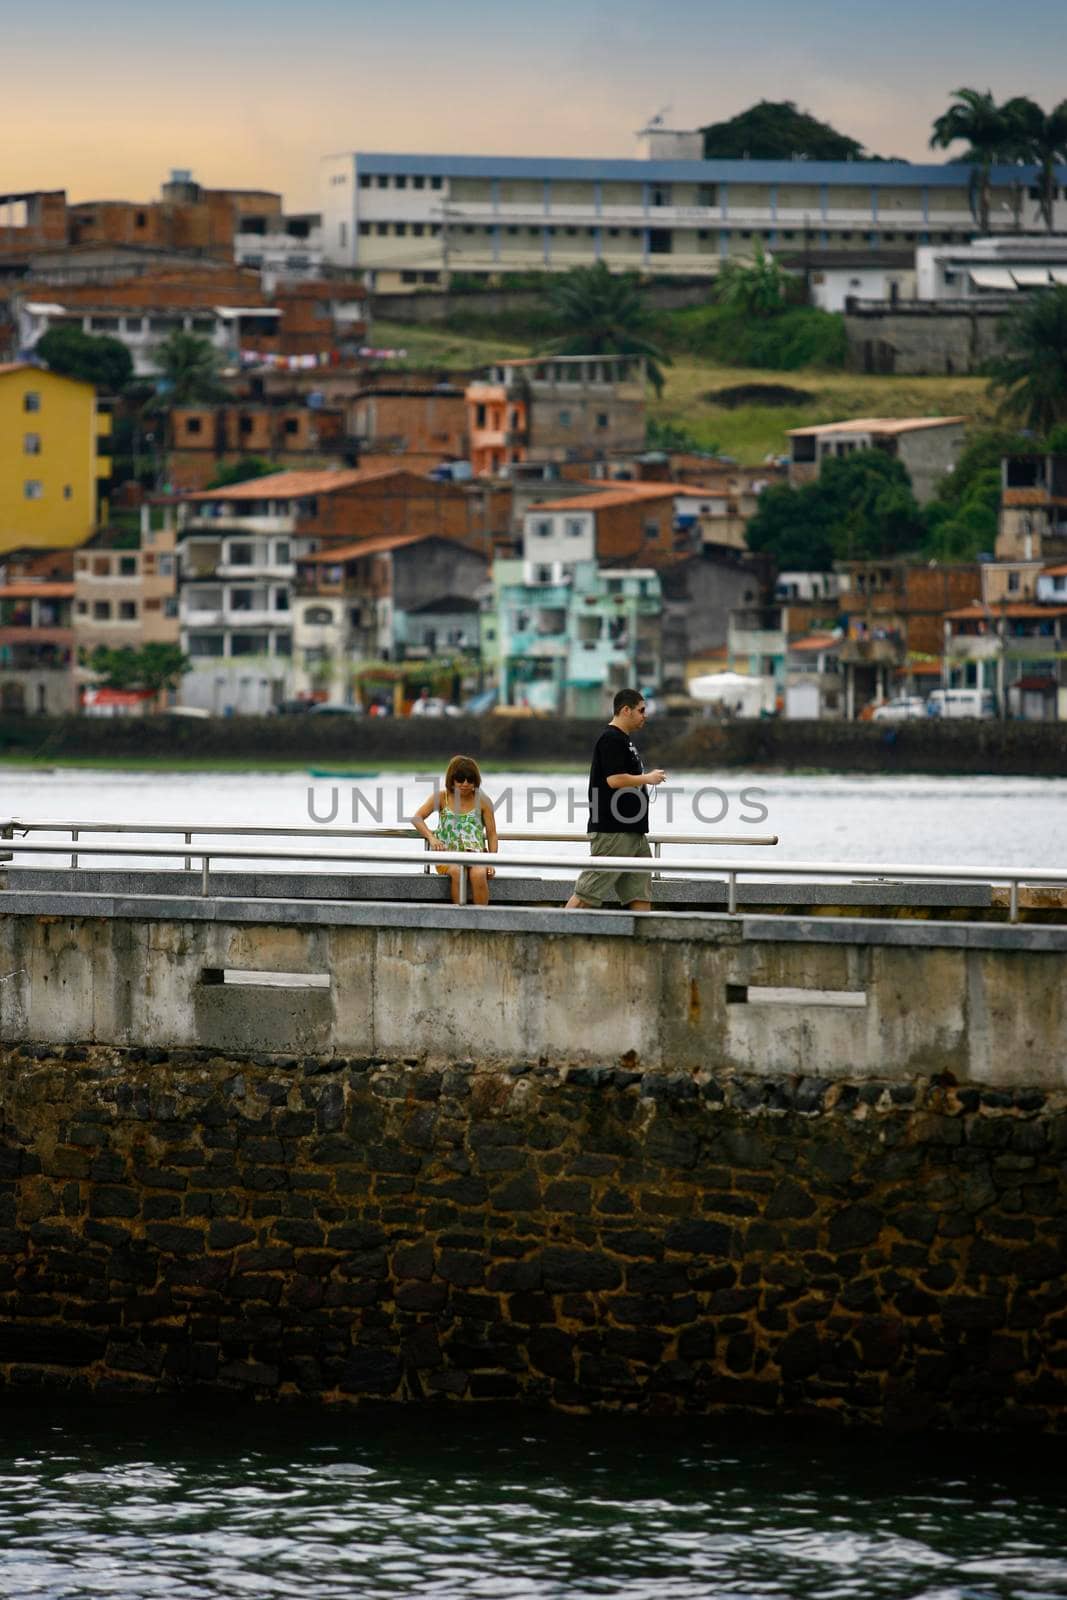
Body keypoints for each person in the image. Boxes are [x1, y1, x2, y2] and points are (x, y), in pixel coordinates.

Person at [565, 688, 666, 913]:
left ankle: (640, 945)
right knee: (587, 893)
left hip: (634, 832)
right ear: (625, 710)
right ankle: (554, 933)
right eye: (641, 710)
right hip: (614, 831)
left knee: (640, 896)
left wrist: (643, 780)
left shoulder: (624, 740)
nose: (645, 715)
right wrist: (647, 778)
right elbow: (614, 780)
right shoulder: (611, 738)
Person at [412, 754, 498, 906]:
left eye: (470, 779)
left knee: (478, 874)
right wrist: (432, 838)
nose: (465, 783)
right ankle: (460, 918)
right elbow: (417, 818)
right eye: (460, 779)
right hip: (447, 855)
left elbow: (491, 834)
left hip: (476, 855)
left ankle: (482, 919)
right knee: (457, 872)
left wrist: (491, 860)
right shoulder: (441, 797)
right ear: (451, 779)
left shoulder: (483, 801)